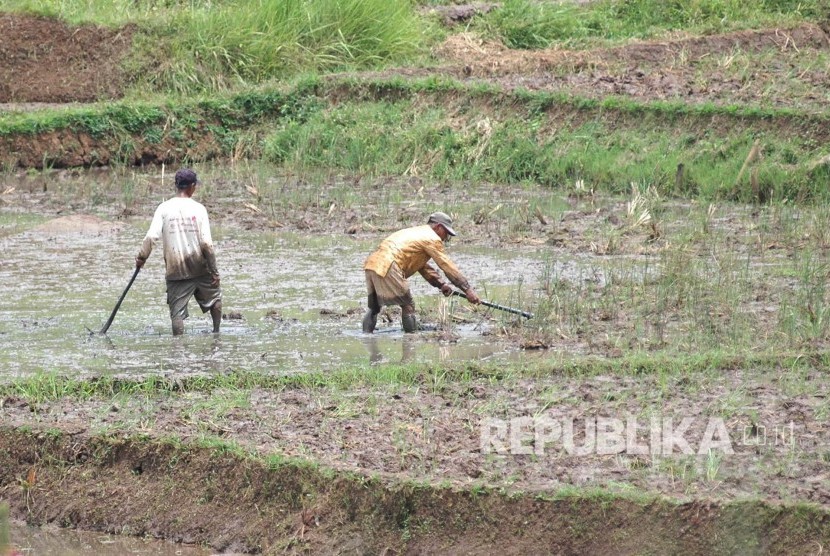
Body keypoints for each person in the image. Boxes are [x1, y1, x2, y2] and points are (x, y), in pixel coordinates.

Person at [135, 168, 222, 335]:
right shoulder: (199, 209)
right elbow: (206, 243)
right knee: (215, 299)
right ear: (192, 186)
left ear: (177, 186)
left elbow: (151, 236)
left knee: (177, 313)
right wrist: (214, 271)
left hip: (176, 269)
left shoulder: (164, 208)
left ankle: (178, 347)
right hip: (200, 267)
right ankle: (216, 333)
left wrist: (142, 257)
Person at [362, 212, 481, 333]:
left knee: (374, 307)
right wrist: (467, 290)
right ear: (438, 227)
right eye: (446, 233)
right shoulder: (431, 238)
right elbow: (447, 265)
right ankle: (411, 339)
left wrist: (441, 284)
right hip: (389, 264)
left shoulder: (416, 233)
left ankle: (366, 337)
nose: (445, 238)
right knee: (408, 305)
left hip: (372, 264)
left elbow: (421, 266)